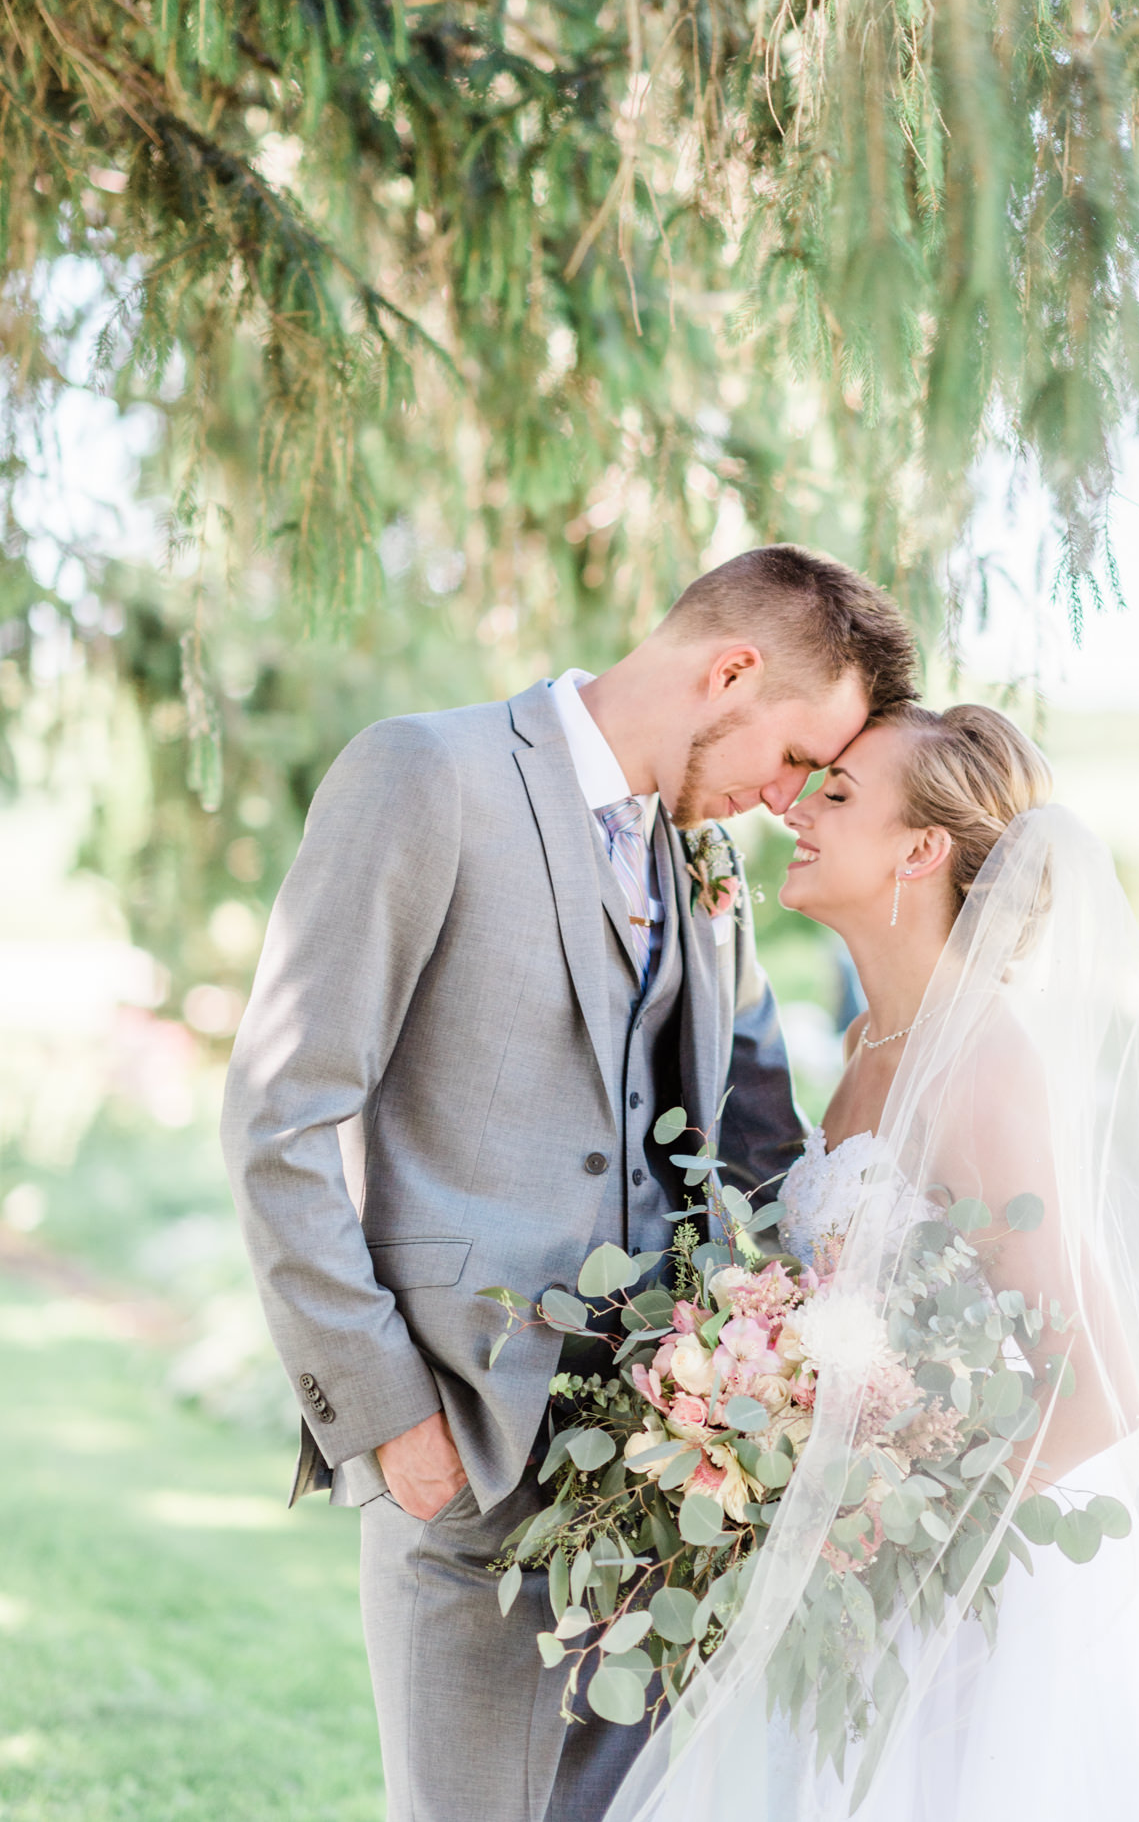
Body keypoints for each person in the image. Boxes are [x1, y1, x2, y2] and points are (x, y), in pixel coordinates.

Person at [219, 544, 919, 1822]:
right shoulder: (425, 773)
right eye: (791, 758)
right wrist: (381, 1408)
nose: (786, 801)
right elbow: (281, 1111)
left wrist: (824, 1369)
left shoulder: (706, 871)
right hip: (463, 1448)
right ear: (730, 671)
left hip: (672, 1477)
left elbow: (757, 1143)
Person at [603, 703, 1139, 1822]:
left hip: (957, 1619)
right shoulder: (869, 1045)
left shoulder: (982, 1062)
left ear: (919, 850)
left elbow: (1094, 1392)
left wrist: (877, 1520)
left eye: (835, 796)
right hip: (850, 1577)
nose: (794, 808)